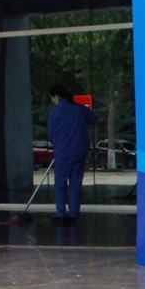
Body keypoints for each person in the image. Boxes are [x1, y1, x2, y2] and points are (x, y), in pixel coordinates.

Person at [46, 83, 98, 224]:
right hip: (79, 151)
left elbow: (50, 134)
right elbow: (94, 119)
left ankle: (60, 214)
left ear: (57, 96)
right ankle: (74, 214)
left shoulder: (55, 112)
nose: (53, 100)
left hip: (62, 152)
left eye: (52, 98)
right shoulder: (79, 109)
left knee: (60, 183)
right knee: (75, 183)